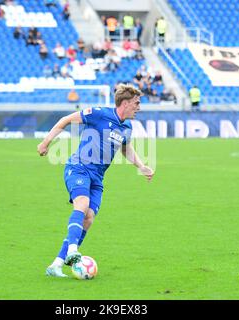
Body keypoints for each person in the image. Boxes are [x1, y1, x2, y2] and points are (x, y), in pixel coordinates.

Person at [37, 84, 155, 277]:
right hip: (79, 167)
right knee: (81, 205)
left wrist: (141, 166)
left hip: (97, 177)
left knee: (89, 217)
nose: (139, 107)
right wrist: (46, 141)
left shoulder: (127, 126)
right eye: (136, 103)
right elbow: (66, 120)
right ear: (125, 103)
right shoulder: (99, 113)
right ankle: (73, 251)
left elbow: (125, 148)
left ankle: (56, 264)